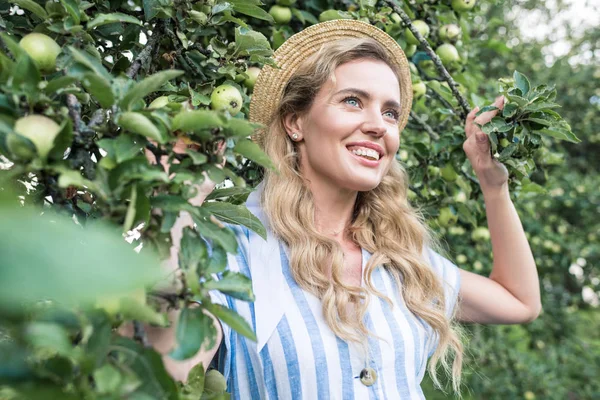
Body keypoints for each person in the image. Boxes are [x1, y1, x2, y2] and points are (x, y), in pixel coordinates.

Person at [138, 19, 542, 399]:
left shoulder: (399, 259)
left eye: (390, 113)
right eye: (352, 101)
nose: (379, 125)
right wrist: (175, 201)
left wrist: (493, 184)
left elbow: (520, 301)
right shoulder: (233, 256)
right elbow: (161, 380)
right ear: (295, 122)